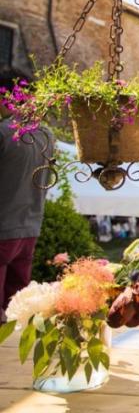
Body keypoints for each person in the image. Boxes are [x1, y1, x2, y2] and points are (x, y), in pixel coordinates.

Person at [0, 87, 51, 318]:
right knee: (17, 307)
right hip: (30, 226)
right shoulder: (47, 135)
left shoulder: (3, 133)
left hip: (4, 225)